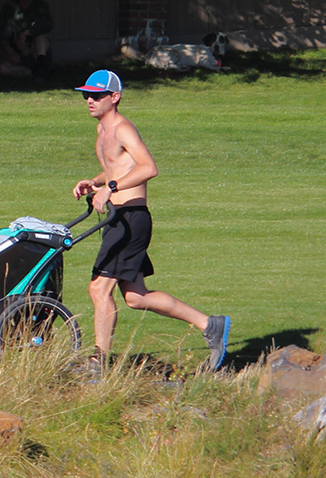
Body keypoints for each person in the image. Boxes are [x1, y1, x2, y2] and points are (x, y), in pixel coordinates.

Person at [70, 69, 230, 371]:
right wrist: (94, 182)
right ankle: (210, 325)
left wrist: (112, 189)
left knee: (98, 288)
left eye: (96, 95)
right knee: (136, 296)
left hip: (130, 219)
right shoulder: (102, 130)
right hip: (118, 219)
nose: (89, 100)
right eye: (85, 94)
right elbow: (117, 168)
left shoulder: (122, 128)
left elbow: (148, 167)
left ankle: (98, 362)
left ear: (114, 97)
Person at [0, 0, 54, 77]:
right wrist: (11, 51)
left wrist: (26, 33)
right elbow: (2, 34)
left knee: (40, 38)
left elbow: (47, 25)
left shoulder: (41, 6)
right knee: (3, 68)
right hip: (19, 53)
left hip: (35, 50)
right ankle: (32, 73)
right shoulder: (9, 7)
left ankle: (41, 67)